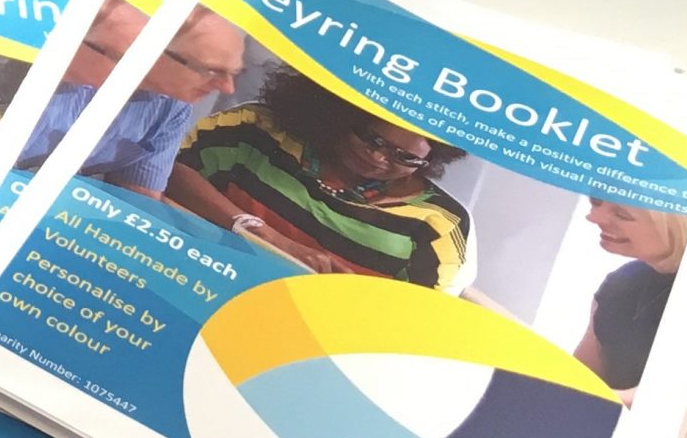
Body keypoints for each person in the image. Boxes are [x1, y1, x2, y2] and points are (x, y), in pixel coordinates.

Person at [167, 69, 472, 288]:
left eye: (404, 157)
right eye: (372, 139)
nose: (378, 158)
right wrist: (264, 236)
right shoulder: (254, 129)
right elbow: (171, 172)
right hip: (192, 277)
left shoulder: (438, 224)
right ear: (343, 114)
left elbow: (413, 319)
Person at [0, 0, 248, 198]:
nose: (227, 88)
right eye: (212, 70)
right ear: (160, 53)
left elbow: (137, 201)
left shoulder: (173, 108)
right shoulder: (63, 76)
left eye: (234, 73)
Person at [574, 201, 687, 394]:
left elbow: (676, 393)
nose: (593, 217)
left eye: (622, 214)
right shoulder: (619, 286)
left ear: (679, 223)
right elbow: (579, 378)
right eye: (596, 201)